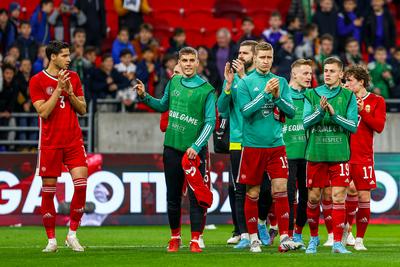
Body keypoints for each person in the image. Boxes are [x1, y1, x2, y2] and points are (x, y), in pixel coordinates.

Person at [134, 47, 216, 253]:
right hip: (171, 148)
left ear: (198, 63)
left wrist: (196, 147)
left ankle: (196, 239)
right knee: (173, 196)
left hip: (193, 153)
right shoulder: (174, 82)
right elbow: (162, 105)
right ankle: (175, 237)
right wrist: (145, 96)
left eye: (191, 60)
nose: (188, 64)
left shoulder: (207, 90)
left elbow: (210, 123)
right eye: (184, 60)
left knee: (197, 197)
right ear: (178, 63)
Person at [236, 41, 299, 253]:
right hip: (253, 146)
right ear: (254, 58)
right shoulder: (245, 82)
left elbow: (291, 112)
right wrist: (264, 94)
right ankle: (253, 237)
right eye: (262, 57)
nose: (266, 61)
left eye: (269, 57)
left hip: (276, 146)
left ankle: (284, 237)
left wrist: (277, 97)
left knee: (280, 190)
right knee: (252, 192)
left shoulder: (280, 81)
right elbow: (245, 112)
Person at [29, 40, 88, 252]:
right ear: (53, 57)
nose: (68, 58)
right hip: (50, 143)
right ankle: (51, 240)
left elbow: (82, 109)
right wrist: (58, 89)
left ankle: (72, 234)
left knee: (81, 186)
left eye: (68, 55)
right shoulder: (36, 80)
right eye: (64, 55)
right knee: (48, 192)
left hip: (73, 141)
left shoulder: (74, 77)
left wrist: (70, 92)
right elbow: (43, 112)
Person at [303, 57, 358, 254]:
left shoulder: (349, 96)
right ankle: (314, 239)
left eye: (332, 71)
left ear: (341, 74)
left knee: (338, 198)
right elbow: (305, 122)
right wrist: (319, 111)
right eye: (325, 70)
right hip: (316, 154)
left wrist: (334, 115)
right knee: (314, 198)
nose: (327, 74)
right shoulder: (312, 94)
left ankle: (336, 243)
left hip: (339, 155)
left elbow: (353, 126)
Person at [217, 40, 258, 248]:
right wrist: (227, 84)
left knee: (264, 189)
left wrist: (242, 78)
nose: (240, 56)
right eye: (239, 52)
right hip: (237, 142)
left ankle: (259, 226)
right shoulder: (233, 80)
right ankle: (242, 232)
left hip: (259, 142)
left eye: (245, 53)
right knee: (238, 189)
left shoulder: (258, 79)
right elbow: (222, 109)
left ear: (255, 56)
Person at [342, 65, 386, 250]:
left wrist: (363, 111)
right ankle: (345, 231)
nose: (346, 84)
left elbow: (379, 126)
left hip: (363, 157)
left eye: (350, 80)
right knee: (343, 193)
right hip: (342, 155)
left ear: (361, 82)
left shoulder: (376, 100)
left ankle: (359, 239)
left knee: (363, 196)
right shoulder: (343, 98)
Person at [282, 59, 313, 247]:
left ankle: (298, 233)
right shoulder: (282, 94)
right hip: (286, 154)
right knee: (287, 195)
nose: (309, 77)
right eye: (305, 73)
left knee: (307, 197)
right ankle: (286, 233)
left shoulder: (312, 95)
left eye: (310, 74)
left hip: (308, 154)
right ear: (294, 74)